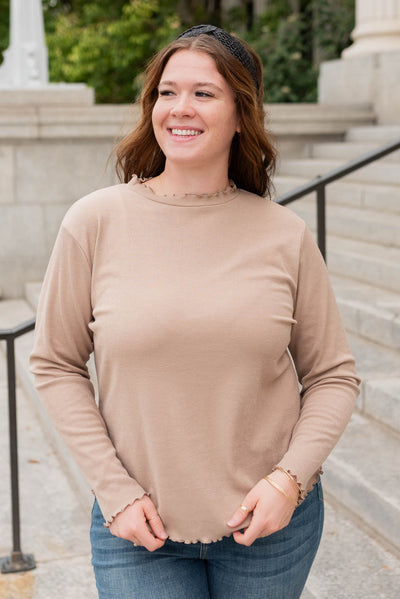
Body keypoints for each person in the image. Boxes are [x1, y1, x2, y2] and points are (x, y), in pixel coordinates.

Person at [30, 24, 360, 599]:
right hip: (137, 530)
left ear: (241, 113)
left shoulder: (284, 234)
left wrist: (288, 482)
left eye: (204, 93)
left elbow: (333, 375)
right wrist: (115, 491)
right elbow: (55, 364)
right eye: (166, 91)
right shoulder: (94, 222)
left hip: (270, 531)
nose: (180, 108)